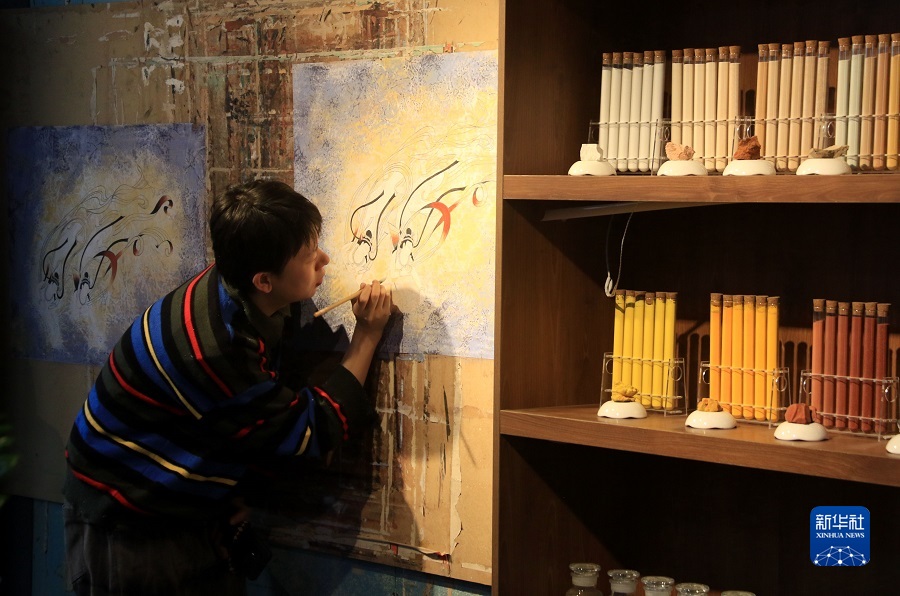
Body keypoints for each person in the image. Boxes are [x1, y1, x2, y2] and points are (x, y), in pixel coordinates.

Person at [62, 179, 393, 595]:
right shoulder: (216, 346)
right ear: (264, 281)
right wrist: (366, 336)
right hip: (127, 518)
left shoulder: (235, 285)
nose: (324, 260)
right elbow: (308, 433)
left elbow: (237, 422)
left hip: (177, 506)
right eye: (310, 257)